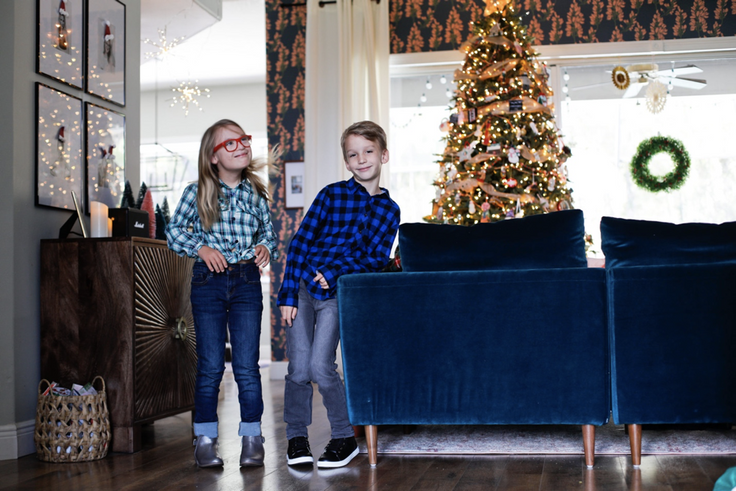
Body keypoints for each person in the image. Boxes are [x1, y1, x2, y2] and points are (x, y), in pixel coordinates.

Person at [277, 120, 401, 468]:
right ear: (346, 162)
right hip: (302, 289)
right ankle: (296, 438)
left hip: (336, 294)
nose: (361, 159)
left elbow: (375, 258)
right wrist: (287, 294)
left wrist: (333, 272)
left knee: (321, 366)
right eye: (353, 154)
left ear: (383, 155)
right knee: (299, 368)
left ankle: (344, 436)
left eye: (368, 151)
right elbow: (300, 241)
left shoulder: (389, 210)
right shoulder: (332, 194)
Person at [166, 119, 278, 468]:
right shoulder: (196, 192)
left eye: (243, 139)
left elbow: (269, 234)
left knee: (247, 366)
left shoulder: (255, 194)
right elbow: (173, 233)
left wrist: (263, 247)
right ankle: (205, 439)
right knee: (212, 366)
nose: (241, 146)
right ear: (212, 157)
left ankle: (251, 438)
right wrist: (201, 249)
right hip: (208, 283)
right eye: (230, 143)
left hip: (246, 282)